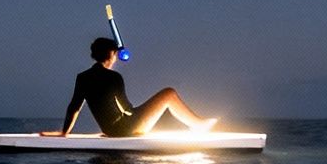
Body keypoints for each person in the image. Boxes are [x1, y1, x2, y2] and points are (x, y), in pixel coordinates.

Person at [49, 37, 215, 137]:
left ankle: (193, 124)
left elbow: (74, 108)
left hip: (110, 130)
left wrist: (64, 133)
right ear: (110, 55)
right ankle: (198, 125)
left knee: (158, 110)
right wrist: (150, 114)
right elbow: (127, 109)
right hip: (126, 128)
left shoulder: (83, 77)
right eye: (114, 55)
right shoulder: (114, 77)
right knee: (169, 94)